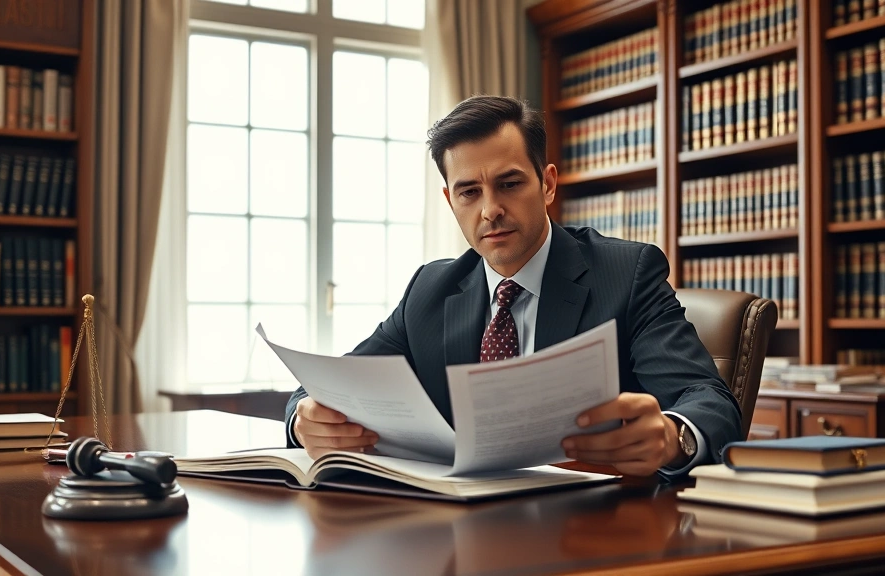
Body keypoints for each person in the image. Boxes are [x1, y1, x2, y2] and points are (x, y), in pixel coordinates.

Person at [285, 95, 741, 477]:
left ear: (546, 184)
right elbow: (329, 387)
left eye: (509, 184)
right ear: (450, 200)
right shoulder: (431, 289)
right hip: (457, 533)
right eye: (469, 192)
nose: (490, 210)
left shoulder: (626, 273)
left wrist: (672, 436)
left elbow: (709, 401)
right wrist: (303, 419)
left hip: (594, 528)